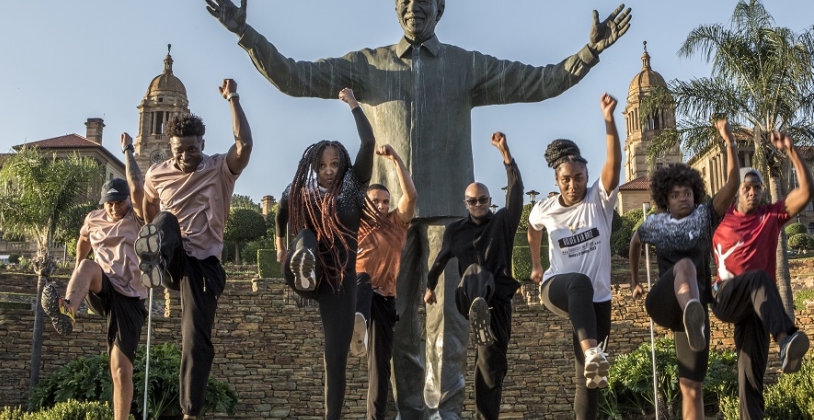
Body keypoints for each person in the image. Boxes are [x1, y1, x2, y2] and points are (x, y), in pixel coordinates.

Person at [205, 1, 631, 417]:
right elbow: (294, 76)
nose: (414, 6)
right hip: (390, 219)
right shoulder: (369, 66)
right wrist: (245, 33)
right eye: (405, 0)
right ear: (395, 8)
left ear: (440, 8)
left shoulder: (464, 66)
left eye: (424, 0)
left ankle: (446, 411)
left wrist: (588, 53)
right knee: (399, 323)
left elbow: (538, 81)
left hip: (449, 217)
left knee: (451, 324)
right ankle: (409, 411)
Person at [134, 79, 252, 420]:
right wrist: (150, 227)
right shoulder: (157, 172)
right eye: (178, 150)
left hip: (202, 267)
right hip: (171, 258)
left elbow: (244, 144)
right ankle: (152, 258)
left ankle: (190, 412)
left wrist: (233, 99)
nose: (184, 155)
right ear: (170, 147)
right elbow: (147, 209)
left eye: (191, 148)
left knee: (194, 338)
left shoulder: (219, 168)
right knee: (166, 220)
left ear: (202, 143)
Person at [275, 87, 381, 420]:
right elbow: (280, 213)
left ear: (343, 165)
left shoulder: (353, 184)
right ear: (313, 165)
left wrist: (353, 105)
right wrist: (281, 248)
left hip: (339, 280)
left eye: (334, 164)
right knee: (305, 235)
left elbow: (368, 144)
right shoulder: (301, 191)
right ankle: (304, 262)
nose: (329, 170)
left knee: (334, 357)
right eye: (322, 165)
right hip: (305, 272)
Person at [628, 119, 739, 420]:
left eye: (687, 193)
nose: (683, 198)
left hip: (693, 321)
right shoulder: (656, 223)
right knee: (685, 265)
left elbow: (732, 185)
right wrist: (636, 281)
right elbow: (635, 242)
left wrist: (728, 141)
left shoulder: (705, 216)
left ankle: (693, 313)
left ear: (696, 194)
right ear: (666, 199)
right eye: (676, 194)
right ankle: (691, 306)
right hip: (664, 303)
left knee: (691, 385)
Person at [527, 93, 622, 419]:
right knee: (578, 283)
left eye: (578, 178)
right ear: (557, 180)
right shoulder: (545, 208)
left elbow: (614, 163)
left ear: (586, 176)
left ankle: (592, 356)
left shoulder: (599, 201)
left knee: (590, 381)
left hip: (599, 301)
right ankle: (592, 349)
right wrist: (538, 264)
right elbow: (532, 227)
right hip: (557, 288)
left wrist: (608, 119)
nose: (573, 185)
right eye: (566, 180)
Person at [40, 132, 147, 420]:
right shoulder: (93, 217)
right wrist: (78, 268)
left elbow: (138, 187)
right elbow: (83, 240)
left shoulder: (137, 217)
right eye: (109, 203)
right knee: (87, 266)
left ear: (127, 200)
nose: (114, 208)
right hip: (104, 287)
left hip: (131, 299)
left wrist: (128, 150)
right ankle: (67, 312)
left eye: (119, 202)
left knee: (121, 370)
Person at [711, 131, 814, 420]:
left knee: (751, 378)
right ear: (737, 192)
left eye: (757, 188)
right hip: (726, 297)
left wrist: (792, 150)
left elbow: (807, 192)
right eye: (747, 188)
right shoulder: (720, 219)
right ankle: (785, 338)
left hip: (756, 309)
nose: (754, 192)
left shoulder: (770, 216)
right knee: (759, 278)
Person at [423, 132, 521, 420]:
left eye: (483, 200)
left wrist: (507, 156)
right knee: (475, 273)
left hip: (498, 303)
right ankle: (479, 311)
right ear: (465, 204)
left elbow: (515, 195)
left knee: (491, 363)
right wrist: (429, 288)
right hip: (468, 297)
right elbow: (439, 262)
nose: (478, 205)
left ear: (490, 200)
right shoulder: (455, 232)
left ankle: (484, 417)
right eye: (472, 201)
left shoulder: (502, 222)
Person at [353, 143, 416, 420]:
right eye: (375, 201)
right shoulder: (354, 225)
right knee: (362, 279)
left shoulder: (396, 224)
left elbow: (411, 196)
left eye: (385, 201)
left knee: (380, 367)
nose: (381, 205)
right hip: (357, 293)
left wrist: (396, 160)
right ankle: (355, 324)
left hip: (385, 301)